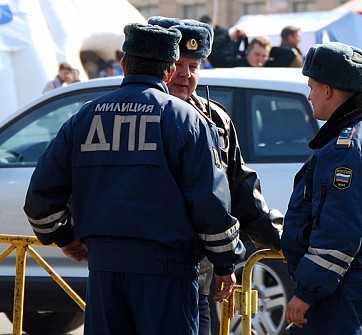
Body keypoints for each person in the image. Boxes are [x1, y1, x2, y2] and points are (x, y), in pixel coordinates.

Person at [24, 23, 245, 335]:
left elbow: (39, 201)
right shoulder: (187, 121)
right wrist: (225, 263)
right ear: (169, 72)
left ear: (123, 63)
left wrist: (65, 237)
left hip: (104, 270)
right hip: (170, 272)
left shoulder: (84, 118)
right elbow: (210, 203)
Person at [147, 16, 284, 335]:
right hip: (148, 268)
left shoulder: (216, 119)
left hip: (201, 272)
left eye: (193, 66)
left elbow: (240, 188)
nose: (185, 75)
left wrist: (281, 239)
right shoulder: (143, 113)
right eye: (178, 64)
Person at [281, 42, 362, 334]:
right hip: (350, 282)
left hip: (342, 286)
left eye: (312, 87)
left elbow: (339, 228)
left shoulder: (348, 146)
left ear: (328, 90)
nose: (309, 95)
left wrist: (307, 292)